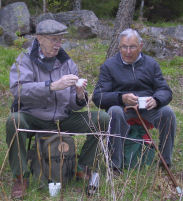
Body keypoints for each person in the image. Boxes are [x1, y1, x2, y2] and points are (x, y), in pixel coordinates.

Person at [6, 19, 109, 199]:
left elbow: (72, 104)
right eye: (54, 39)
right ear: (39, 38)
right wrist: (51, 86)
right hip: (34, 118)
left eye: (61, 39)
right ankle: (21, 177)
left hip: (63, 118)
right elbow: (18, 90)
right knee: (14, 120)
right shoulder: (25, 59)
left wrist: (78, 95)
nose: (58, 44)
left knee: (102, 118)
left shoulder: (67, 63)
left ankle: (82, 166)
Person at [92, 28, 176, 174]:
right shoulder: (109, 66)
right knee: (114, 111)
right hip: (123, 109)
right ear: (119, 47)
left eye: (132, 47)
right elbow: (98, 97)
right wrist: (120, 98)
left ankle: (165, 162)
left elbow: (165, 91)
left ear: (141, 46)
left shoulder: (151, 64)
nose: (128, 51)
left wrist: (156, 100)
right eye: (124, 47)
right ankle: (115, 165)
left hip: (148, 109)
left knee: (168, 113)